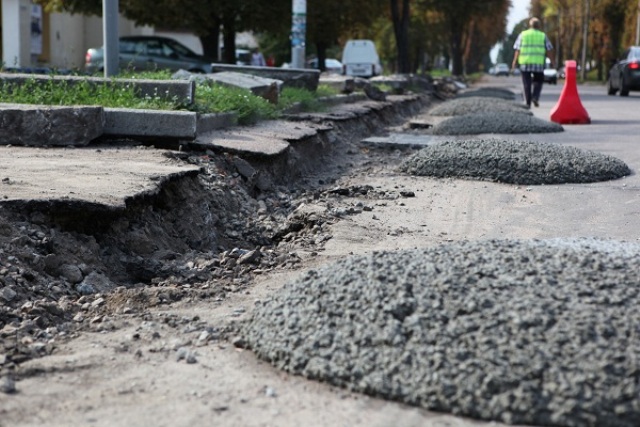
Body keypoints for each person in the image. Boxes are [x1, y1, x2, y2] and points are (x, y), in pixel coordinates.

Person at [511, 17, 554, 108]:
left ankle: (528, 102)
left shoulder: (523, 35)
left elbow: (517, 49)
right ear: (539, 25)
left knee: (526, 83)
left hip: (525, 63)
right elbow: (549, 49)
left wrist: (514, 62)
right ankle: (535, 96)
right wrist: (552, 61)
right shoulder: (542, 36)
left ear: (530, 25)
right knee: (538, 81)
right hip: (538, 64)